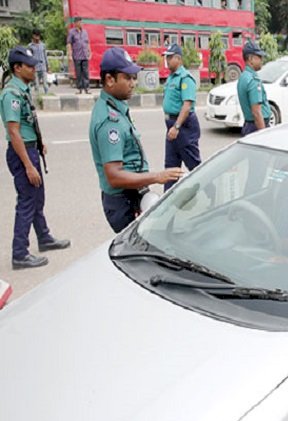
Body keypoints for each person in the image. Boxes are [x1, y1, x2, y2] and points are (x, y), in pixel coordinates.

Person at [89, 47, 182, 233]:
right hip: (123, 201)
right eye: (127, 78)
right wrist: (157, 176)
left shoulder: (116, 106)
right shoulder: (110, 122)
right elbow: (114, 176)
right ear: (109, 79)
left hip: (133, 194)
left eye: (134, 77)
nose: (133, 83)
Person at [1, 47, 70, 270]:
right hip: (22, 154)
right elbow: (13, 132)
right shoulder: (11, 93)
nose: (34, 69)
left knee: (37, 198)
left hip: (30, 149)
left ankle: (44, 237)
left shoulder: (22, 89)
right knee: (27, 202)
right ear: (17, 68)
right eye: (29, 66)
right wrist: (28, 165)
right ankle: (20, 253)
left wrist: (39, 144)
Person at [162, 43, 201, 191]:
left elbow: (187, 105)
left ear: (178, 59)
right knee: (171, 166)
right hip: (171, 126)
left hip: (183, 126)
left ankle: (210, 192)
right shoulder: (171, 78)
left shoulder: (185, 78)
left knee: (194, 165)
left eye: (170, 57)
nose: (167, 60)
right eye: (167, 57)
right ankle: (167, 201)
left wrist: (177, 127)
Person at [237, 40, 271, 136]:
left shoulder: (243, 76)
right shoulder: (253, 80)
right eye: (259, 57)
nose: (261, 60)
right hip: (256, 126)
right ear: (251, 59)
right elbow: (256, 112)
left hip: (249, 124)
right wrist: (263, 134)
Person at [66, 17, 91, 94]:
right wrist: (70, 55)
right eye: (79, 22)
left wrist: (89, 52)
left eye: (81, 22)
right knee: (78, 72)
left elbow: (87, 43)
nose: (81, 24)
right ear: (76, 23)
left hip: (84, 55)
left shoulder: (85, 32)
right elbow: (69, 43)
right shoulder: (72, 32)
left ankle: (87, 88)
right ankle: (80, 88)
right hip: (77, 55)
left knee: (86, 72)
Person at [28, 29, 49, 95]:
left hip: (43, 66)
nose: (37, 37)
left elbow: (45, 56)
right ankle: (37, 97)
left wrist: (48, 66)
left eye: (38, 36)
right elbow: (29, 57)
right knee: (36, 85)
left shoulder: (43, 45)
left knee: (45, 84)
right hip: (35, 68)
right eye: (36, 35)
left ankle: (47, 95)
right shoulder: (30, 46)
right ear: (33, 36)